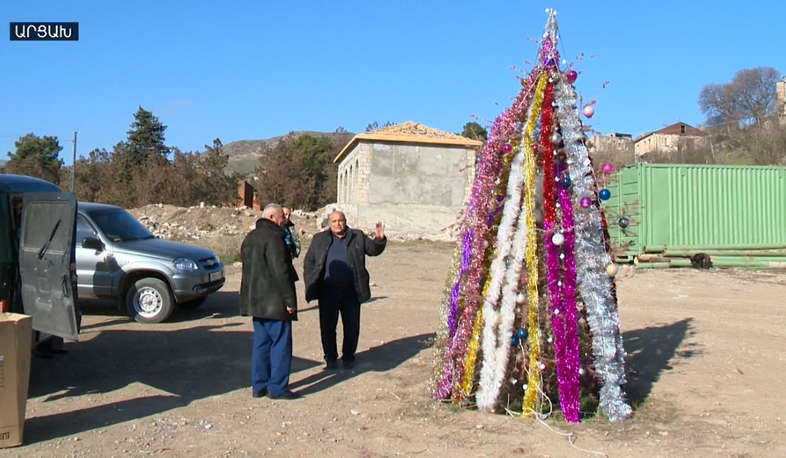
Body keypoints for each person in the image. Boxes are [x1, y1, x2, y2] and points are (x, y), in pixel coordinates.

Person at [303, 211, 386, 370]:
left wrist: (379, 240)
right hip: (327, 291)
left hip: (350, 291)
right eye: (334, 221)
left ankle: (348, 356)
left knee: (351, 326)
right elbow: (309, 263)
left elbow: (373, 250)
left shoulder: (357, 236)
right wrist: (311, 281)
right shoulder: (319, 239)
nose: (337, 224)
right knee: (327, 327)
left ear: (345, 221)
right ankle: (331, 357)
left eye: (340, 220)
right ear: (329, 223)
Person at [240, 203, 301, 400]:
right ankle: (277, 387)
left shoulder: (250, 237)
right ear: (273, 218)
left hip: (256, 302)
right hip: (275, 302)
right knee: (281, 345)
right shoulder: (274, 238)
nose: (285, 220)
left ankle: (259, 386)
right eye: (282, 217)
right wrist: (290, 301)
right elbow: (280, 272)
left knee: (261, 344)